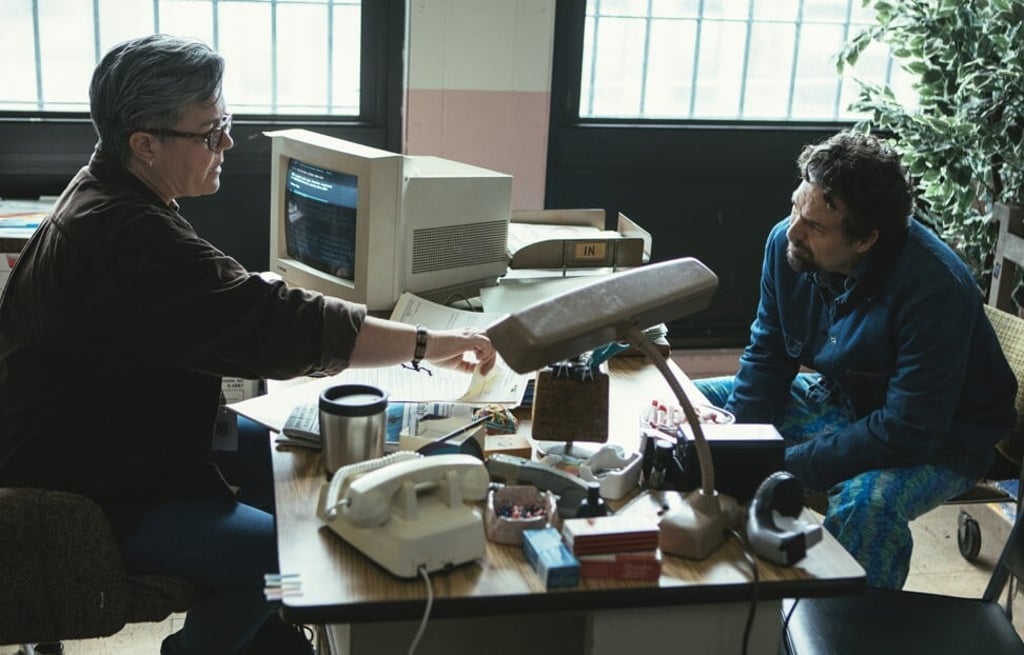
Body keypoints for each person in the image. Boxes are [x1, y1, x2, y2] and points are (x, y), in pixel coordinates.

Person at [0, 34, 496, 654]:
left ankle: (264, 641)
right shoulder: (128, 235)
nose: (227, 145)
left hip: (123, 434)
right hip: (98, 487)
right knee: (290, 555)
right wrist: (427, 344)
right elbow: (276, 324)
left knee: (295, 453)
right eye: (210, 132)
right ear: (144, 144)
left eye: (226, 123)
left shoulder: (107, 190)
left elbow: (210, 308)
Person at [695, 130, 1017, 590]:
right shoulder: (787, 247)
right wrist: (745, 447)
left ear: (865, 239)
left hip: (941, 435)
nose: (793, 231)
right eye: (794, 208)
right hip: (845, 396)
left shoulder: (933, 286)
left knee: (868, 507)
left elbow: (907, 431)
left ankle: (848, 632)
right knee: (687, 407)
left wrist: (787, 462)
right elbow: (768, 356)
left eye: (815, 226)